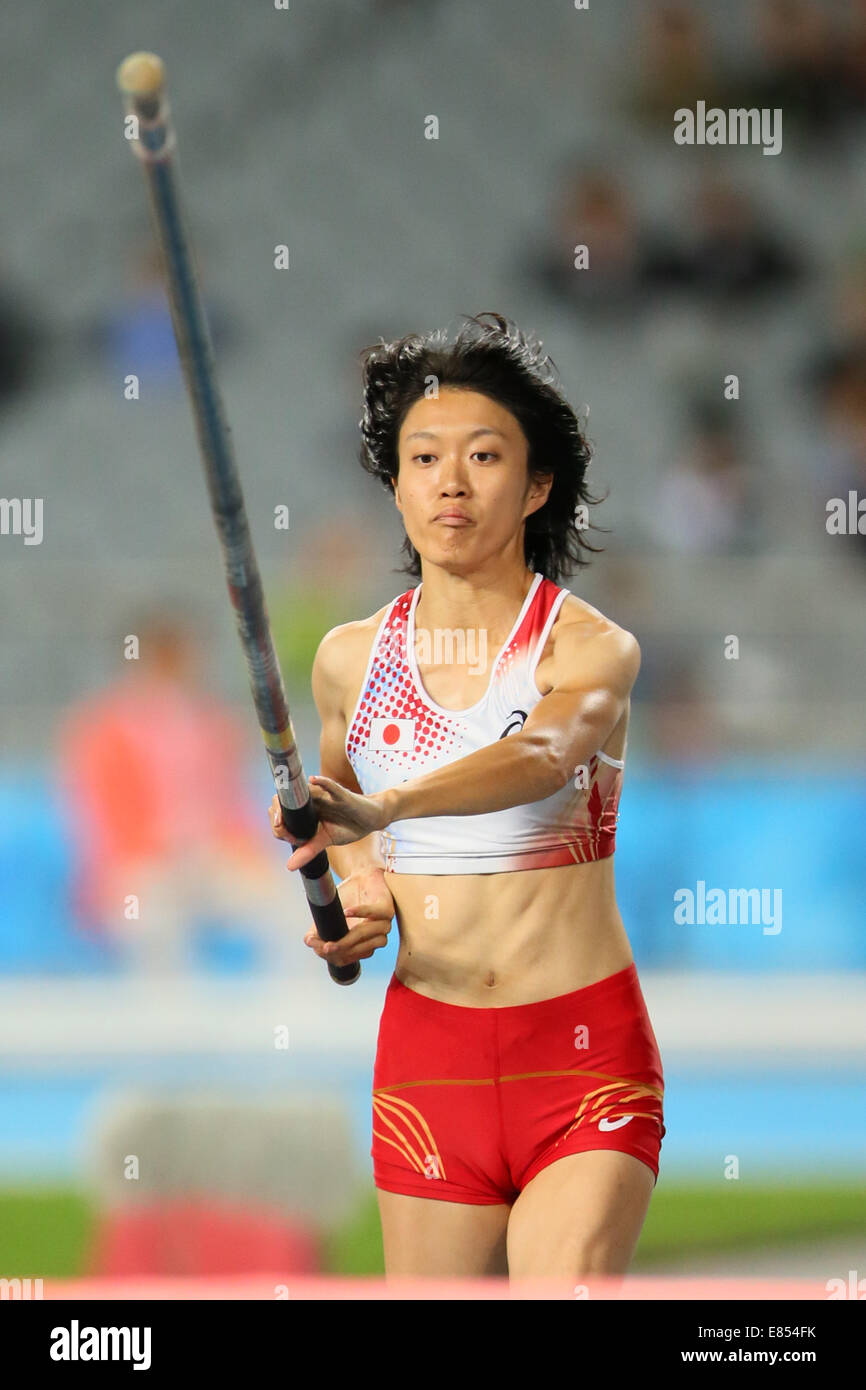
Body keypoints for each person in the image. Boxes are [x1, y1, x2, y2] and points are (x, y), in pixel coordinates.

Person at [270, 313, 665, 1282]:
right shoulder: (346, 661)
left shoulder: (588, 647)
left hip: (579, 1057)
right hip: (427, 1059)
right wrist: (360, 894)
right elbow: (342, 819)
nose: (450, 479)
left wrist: (389, 809)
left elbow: (541, 753)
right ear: (395, 484)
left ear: (534, 486)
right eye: (422, 456)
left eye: (483, 455)